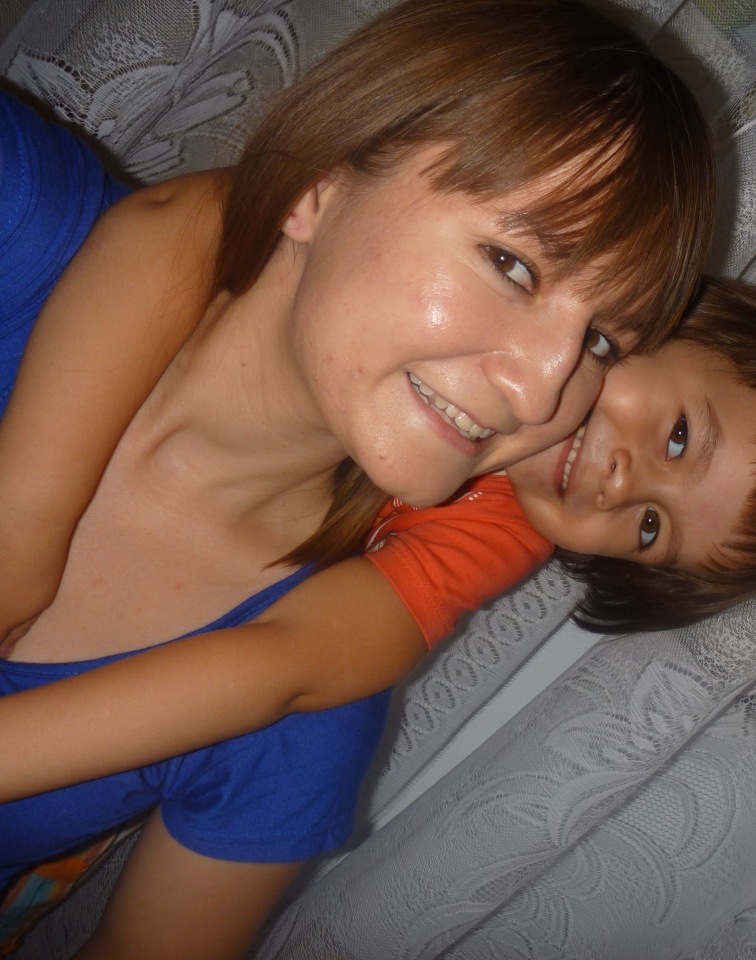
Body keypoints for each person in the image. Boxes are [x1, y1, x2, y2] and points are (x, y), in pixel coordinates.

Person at [0, 0, 717, 953]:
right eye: (512, 264)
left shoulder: (305, 717)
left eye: (599, 342)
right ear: (319, 184)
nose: (544, 391)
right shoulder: (18, 223)